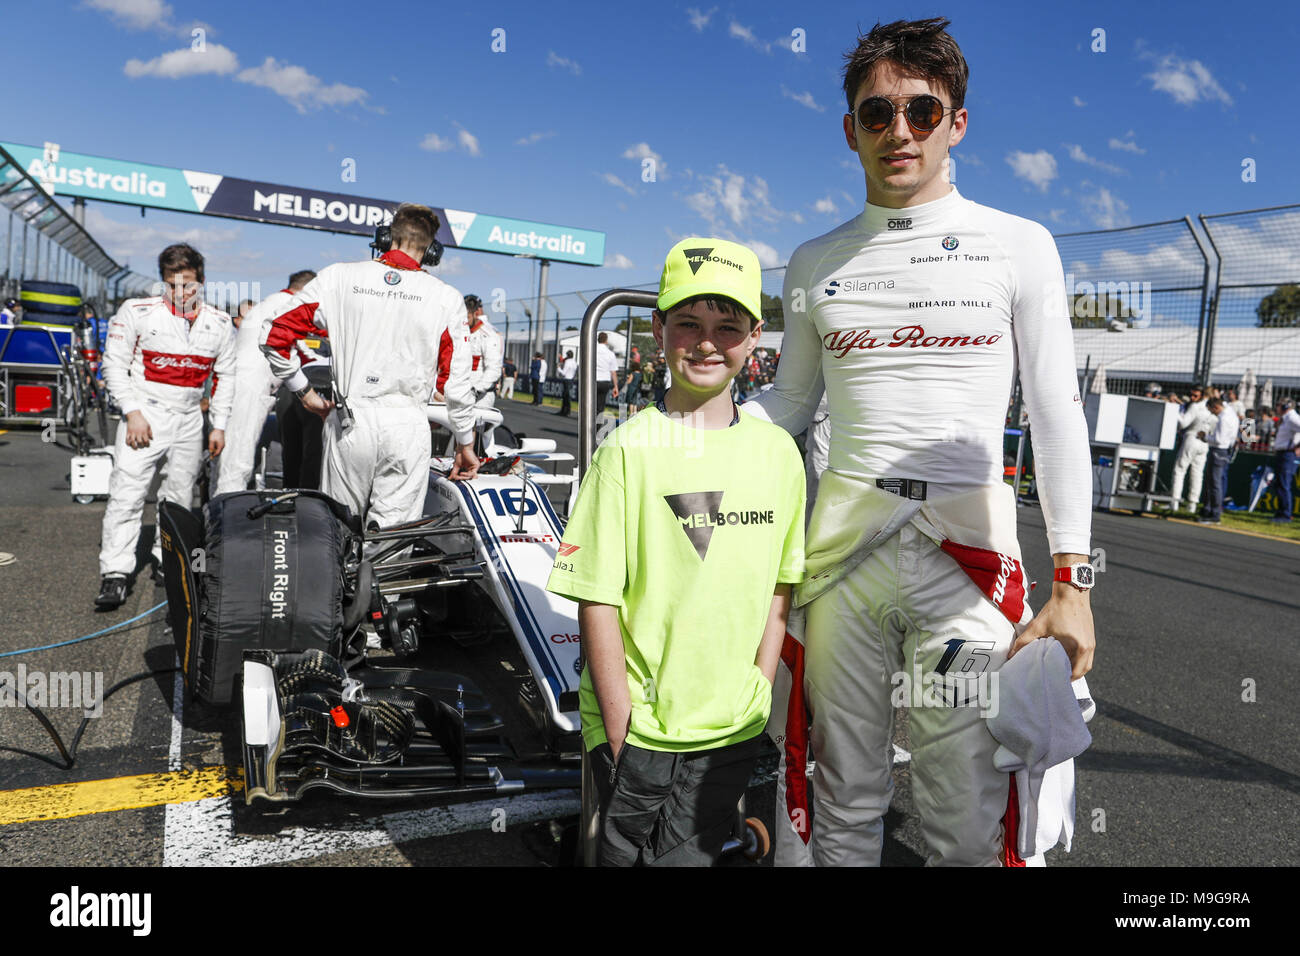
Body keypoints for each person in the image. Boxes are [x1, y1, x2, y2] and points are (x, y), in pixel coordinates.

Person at [745, 17, 1095, 867]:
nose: (898, 130)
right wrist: (674, 437)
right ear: (850, 129)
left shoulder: (1021, 245)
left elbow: (1054, 414)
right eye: (876, 113)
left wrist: (1075, 581)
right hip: (841, 574)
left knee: (964, 818)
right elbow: (787, 404)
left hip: (965, 574)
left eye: (922, 110)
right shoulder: (812, 260)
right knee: (843, 801)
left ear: (957, 121)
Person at [546, 237, 805, 866]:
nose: (707, 341)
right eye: (688, 323)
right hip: (644, 732)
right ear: (658, 330)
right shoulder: (627, 451)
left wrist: (758, 688)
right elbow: (597, 598)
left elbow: (780, 588)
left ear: (755, 337)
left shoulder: (778, 456)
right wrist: (619, 728)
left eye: (728, 326)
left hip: (734, 726)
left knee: (699, 855)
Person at [260, 203, 479, 535]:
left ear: (386, 237)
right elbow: (457, 386)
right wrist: (465, 442)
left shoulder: (338, 277)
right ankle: (383, 588)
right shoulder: (446, 298)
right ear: (433, 251)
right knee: (391, 542)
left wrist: (304, 393)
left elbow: (273, 335)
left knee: (338, 533)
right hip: (407, 427)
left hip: (350, 422)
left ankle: (335, 586)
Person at [95, 243, 236, 610]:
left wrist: (217, 425)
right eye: (172, 284)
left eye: (187, 284)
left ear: (201, 282)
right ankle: (115, 572)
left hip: (190, 418)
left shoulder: (220, 323)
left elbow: (225, 376)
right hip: (146, 413)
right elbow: (113, 366)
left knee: (179, 497)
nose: (180, 292)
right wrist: (132, 412)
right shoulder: (137, 311)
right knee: (127, 493)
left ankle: (165, 558)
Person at [215, 272, 317, 495]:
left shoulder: (271, 302)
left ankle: (216, 512)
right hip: (250, 386)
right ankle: (227, 516)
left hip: (240, 381)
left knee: (229, 458)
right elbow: (302, 350)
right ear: (306, 290)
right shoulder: (288, 304)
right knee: (238, 462)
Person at [1170, 385, 1215, 514]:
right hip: (1205, 442)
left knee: (1179, 470)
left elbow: (1183, 423)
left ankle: (1175, 501)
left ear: (1202, 395)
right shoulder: (1212, 409)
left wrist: (1175, 410)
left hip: (1191, 438)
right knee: (1197, 473)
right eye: (1191, 395)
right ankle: (1192, 505)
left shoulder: (1195, 407)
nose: (1192, 397)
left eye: (1195, 395)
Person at [1197, 396, 1237, 524]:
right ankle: (1209, 510)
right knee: (1214, 483)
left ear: (1216, 407)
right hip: (1224, 450)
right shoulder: (1230, 412)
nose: (1212, 413)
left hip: (1219, 450)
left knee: (1214, 484)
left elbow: (1219, 440)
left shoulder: (1224, 418)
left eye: (1211, 410)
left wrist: (1205, 437)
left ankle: (1215, 514)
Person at [1267, 398, 1300, 523]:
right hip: (1282, 453)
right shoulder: (1286, 419)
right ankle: (1281, 512)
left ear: (1285, 406)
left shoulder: (1292, 418)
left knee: (1284, 484)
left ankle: (1285, 515)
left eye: (1278, 405)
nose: (1276, 407)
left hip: (1288, 454)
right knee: (1280, 484)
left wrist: (1298, 447)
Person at [592, 331, 620, 416]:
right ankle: (598, 426)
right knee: (601, 405)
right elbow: (613, 372)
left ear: (597, 339)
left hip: (593, 380)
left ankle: (589, 424)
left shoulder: (592, 351)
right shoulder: (610, 354)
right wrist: (616, 386)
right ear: (606, 341)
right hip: (605, 381)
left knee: (591, 404)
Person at [557, 349, 577, 416]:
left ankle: (565, 411)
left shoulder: (567, 362)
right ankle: (566, 411)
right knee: (567, 396)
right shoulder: (574, 362)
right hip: (571, 379)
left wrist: (558, 368)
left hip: (566, 380)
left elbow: (564, 373)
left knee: (565, 396)